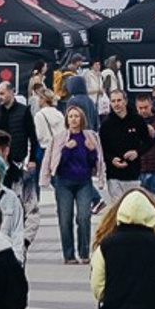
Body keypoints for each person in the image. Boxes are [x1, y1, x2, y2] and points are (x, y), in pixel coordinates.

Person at [47, 104, 101, 263]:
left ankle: (84, 254)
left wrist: (92, 151)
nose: (73, 119)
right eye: (70, 116)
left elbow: (93, 164)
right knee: (65, 219)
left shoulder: (89, 137)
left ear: (82, 119)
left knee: (84, 217)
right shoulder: (61, 138)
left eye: (76, 116)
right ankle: (69, 255)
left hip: (84, 181)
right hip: (64, 182)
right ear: (66, 119)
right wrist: (66, 150)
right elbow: (56, 163)